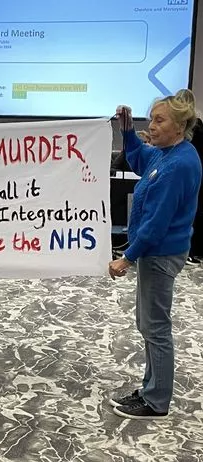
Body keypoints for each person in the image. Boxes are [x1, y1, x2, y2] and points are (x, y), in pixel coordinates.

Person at [108, 90, 202, 419]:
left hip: (161, 254)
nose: (154, 126)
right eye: (152, 119)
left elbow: (156, 224)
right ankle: (151, 387)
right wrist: (128, 131)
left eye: (160, 120)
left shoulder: (179, 164)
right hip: (157, 253)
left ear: (180, 126)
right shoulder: (166, 153)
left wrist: (127, 257)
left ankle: (155, 401)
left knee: (156, 328)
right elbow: (139, 158)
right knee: (147, 324)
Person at [174, 89, 203, 265]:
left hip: (186, 174)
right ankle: (192, 251)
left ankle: (189, 250)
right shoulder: (199, 125)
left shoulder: (189, 129)